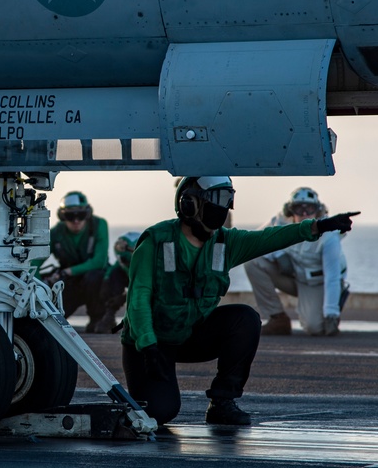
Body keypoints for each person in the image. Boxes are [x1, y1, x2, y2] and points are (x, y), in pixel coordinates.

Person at [121, 176, 358, 427]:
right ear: (188, 204)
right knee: (159, 412)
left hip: (190, 335)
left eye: (226, 200)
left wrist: (319, 226)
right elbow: (138, 299)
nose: (222, 207)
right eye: (216, 199)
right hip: (150, 344)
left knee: (245, 319)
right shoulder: (156, 240)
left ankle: (222, 402)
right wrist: (147, 345)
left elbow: (271, 237)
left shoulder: (225, 242)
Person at [245, 187, 349, 337]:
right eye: (299, 209)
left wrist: (331, 312)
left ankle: (331, 307)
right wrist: (279, 254)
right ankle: (277, 317)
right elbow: (256, 241)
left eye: (310, 209)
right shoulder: (279, 222)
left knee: (315, 329)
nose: (305, 214)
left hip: (318, 283)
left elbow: (332, 276)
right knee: (253, 261)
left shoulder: (329, 235)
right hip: (295, 276)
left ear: (318, 210)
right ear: (290, 210)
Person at [41, 191, 111, 333]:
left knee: (94, 277)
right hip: (70, 282)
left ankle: (98, 318)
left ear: (87, 214)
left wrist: (68, 271)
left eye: (81, 215)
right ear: (62, 216)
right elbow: (36, 262)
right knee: (54, 320)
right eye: (70, 216)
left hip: (95, 281)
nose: (76, 221)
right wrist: (39, 285)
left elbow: (99, 262)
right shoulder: (55, 233)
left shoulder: (99, 225)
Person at [87, 231, 141, 334]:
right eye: (120, 246)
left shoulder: (150, 266)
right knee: (111, 279)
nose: (121, 248)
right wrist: (106, 286)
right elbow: (110, 273)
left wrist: (125, 296)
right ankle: (108, 316)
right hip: (126, 277)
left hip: (142, 286)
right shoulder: (119, 266)